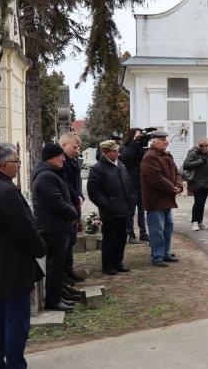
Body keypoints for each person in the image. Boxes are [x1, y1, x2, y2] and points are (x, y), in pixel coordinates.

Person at [0, 143, 46, 369]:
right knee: (16, 323)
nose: (18, 166)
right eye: (16, 162)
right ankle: (14, 364)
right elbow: (25, 230)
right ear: (4, 165)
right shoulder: (5, 191)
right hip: (12, 268)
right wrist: (40, 248)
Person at [32, 143, 79, 312]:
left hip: (58, 226)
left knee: (59, 264)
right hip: (52, 227)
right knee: (55, 264)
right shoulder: (46, 176)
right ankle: (54, 299)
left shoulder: (51, 173)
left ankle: (59, 293)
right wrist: (73, 212)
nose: (63, 159)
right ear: (50, 158)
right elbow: (57, 203)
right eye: (60, 156)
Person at [87, 140, 134, 275]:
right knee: (110, 239)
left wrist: (130, 204)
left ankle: (118, 261)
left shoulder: (121, 166)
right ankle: (108, 265)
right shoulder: (98, 169)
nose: (117, 153)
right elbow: (94, 192)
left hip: (124, 210)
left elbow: (128, 185)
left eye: (117, 150)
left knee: (121, 238)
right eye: (114, 151)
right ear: (106, 152)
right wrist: (107, 205)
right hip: (110, 212)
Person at [141, 131, 185, 267]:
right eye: (162, 139)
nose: (166, 141)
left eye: (165, 139)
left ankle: (165, 252)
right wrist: (172, 188)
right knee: (157, 229)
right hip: (156, 199)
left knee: (168, 227)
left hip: (167, 198)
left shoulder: (167, 155)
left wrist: (178, 186)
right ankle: (157, 256)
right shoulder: (150, 157)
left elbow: (176, 173)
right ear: (153, 142)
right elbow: (155, 178)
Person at [58, 133, 85, 283]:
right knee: (66, 243)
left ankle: (69, 270)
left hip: (75, 204)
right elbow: (65, 183)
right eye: (74, 147)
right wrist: (76, 196)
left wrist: (80, 195)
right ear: (64, 145)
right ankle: (65, 273)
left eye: (78, 147)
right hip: (68, 205)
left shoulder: (72, 160)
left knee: (72, 240)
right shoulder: (61, 162)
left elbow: (76, 182)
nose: (77, 150)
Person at [120, 128, 148, 243]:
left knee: (142, 210)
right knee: (130, 211)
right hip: (131, 184)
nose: (139, 137)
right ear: (131, 136)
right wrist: (134, 143)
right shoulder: (126, 148)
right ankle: (130, 234)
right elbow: (127, 157)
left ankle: (143, 233)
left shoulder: (141, 148)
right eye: (137, 136)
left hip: (141, 183)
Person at [183, 137, 208, 231]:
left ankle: (200, 222)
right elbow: (186, 165)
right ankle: (194, 222)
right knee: (198, 202)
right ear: (201, 146)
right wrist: (200, 161)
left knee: (202, 203)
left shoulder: (206, 154)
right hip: (196, 183)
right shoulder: (193, 153)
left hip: (206, 183)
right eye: (206, 146)